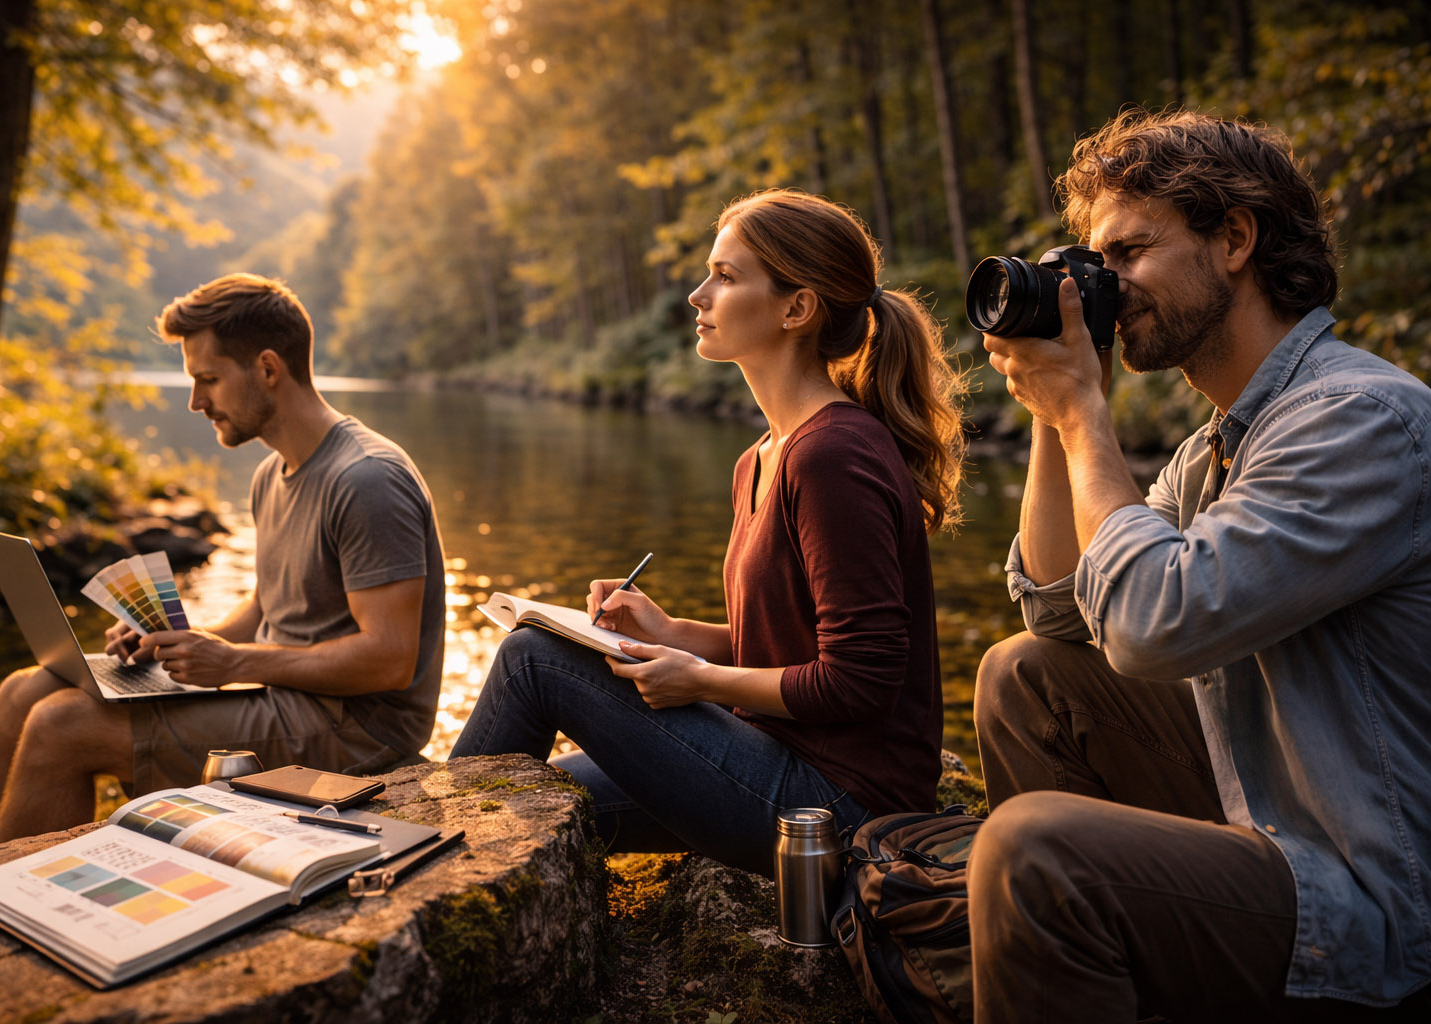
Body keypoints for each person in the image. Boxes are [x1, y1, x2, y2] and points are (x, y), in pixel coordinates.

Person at [969, 108, 1431, 1021]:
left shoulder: (1361, 420)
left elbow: (1151, 624)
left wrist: (1083, 418)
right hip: (1278, 829)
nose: (1108, 282)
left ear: (1234, 238)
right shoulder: (1217, 446)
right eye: (1094, 263)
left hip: (1383, 901)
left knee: (1035, 850)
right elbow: (1064, 615)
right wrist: (1054, 403)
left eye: (1129, 253)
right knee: (1028, 677)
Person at [449, 189, 967, 876]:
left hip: (840, 811)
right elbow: (793, 649)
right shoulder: (762, 456)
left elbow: (861, 680)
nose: (697, 295)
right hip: (771, 764)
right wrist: (668, 633)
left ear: (796, 308)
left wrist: (702, 681)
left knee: (533, 658)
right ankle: (442, 868)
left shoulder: (833, 454)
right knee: (539, 801)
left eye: (725, 277)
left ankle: (420, 857)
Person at [0, 273, 446, 848]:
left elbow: (389, 659)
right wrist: (176, 644)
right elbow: (269, 609)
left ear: (268, 369)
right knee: (25, 691)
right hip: (286, 699)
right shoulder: (273, 474)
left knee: (62, 726)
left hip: (359, 731)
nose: (196, 402)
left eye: (208, 380)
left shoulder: (366, 479)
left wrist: (235, 664)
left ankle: (5, 910)